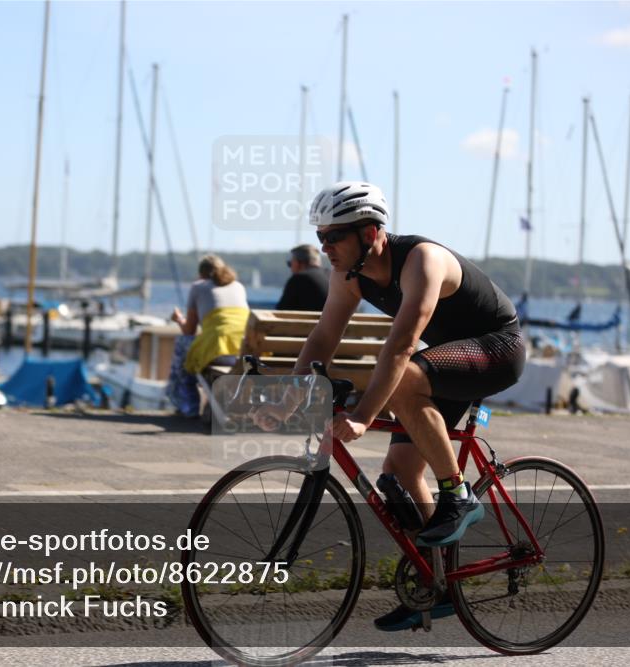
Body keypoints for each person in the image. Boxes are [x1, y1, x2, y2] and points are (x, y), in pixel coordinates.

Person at [253, 181, 525, 631]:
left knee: (405, 379)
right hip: (445, 361)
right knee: (398, 474)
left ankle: (457, 494)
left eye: (334, 236)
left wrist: (361, 417)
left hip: (497, 348)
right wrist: (287, 401)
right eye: (320, 238)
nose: (325, 248)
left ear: (370, 233)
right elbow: (324, 337)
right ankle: (435, 587)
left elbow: (400, 345)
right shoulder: (350, 275)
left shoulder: (422, 260)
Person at [166, 254, 249, 417]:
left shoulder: (198, 286)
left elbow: (189, 330)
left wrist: (179, 319)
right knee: (191, 347)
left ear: (201, 273)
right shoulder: (238, 286)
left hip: (219, 350)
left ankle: (188, 405)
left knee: (183, 344)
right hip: (245, 350)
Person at [276, 244, 329, 311]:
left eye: (290, 263)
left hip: (315, 321)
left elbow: (281, 311)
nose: (291, 268)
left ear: (297, 263)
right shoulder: (331, 276)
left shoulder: (298, 279)